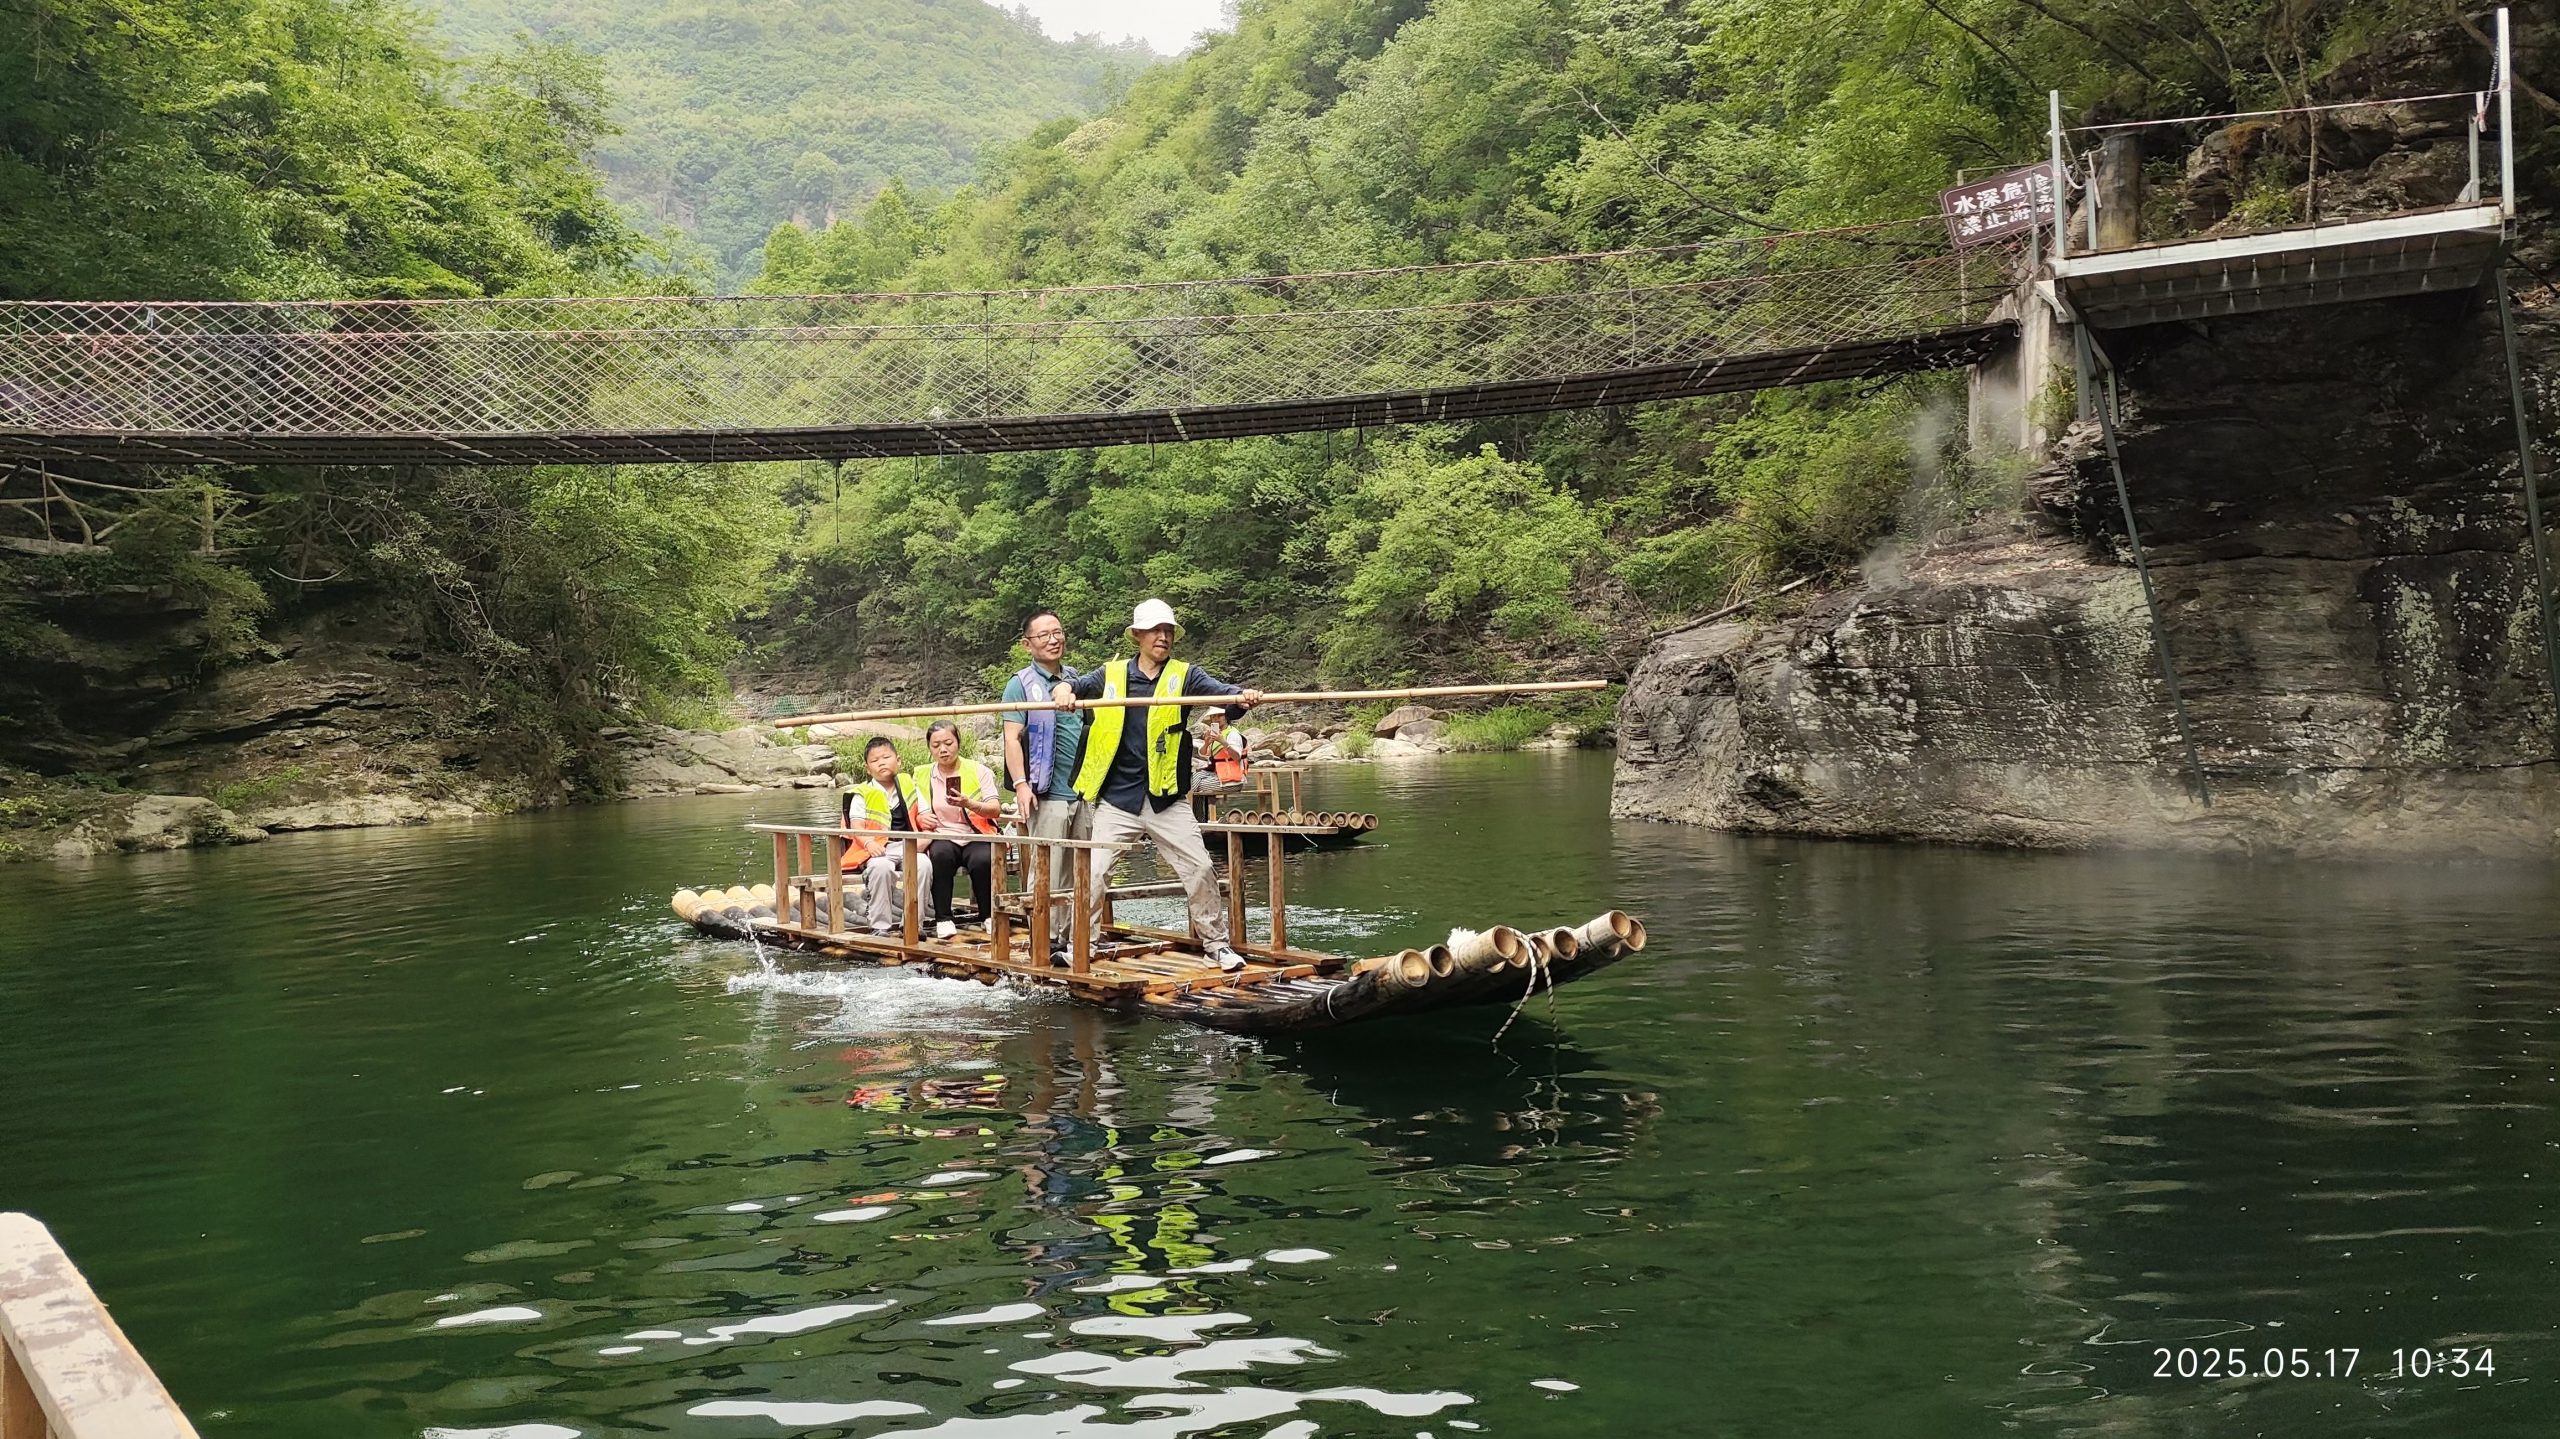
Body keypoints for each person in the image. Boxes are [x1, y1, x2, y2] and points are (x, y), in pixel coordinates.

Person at [1055, 598, 1262, 971]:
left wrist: (1241, 698)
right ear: (1138, 636)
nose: (1162, 637)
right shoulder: (1112, 674)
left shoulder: (1186, 675)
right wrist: (1065, 693)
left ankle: (1216, 944)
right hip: (1118, 797)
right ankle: (1080, 944)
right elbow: (1075, 684)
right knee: (1095, 872)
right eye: (1155, 631)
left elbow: (1223, 694)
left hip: (1166, 797)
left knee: (1199, 868)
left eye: (1167, 631)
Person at [1001, 608, 1089, 965]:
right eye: (1044, 635)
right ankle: (1047, 938)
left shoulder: (1075, 680)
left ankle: (1074, 936)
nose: (1054, 639)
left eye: (1058, 632)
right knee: (1049, 868)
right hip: (1046, 789)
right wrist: (1021, 785)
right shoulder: (1019, 683)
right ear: (1027, 644)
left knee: (1082, 864)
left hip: (1083, 791)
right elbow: (1011, 738)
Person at [911, 718, 1000, 939]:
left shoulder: (979, 770)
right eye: (936, 745)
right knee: (940, 855)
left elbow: (995, 809)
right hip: (942, 833)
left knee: (982, 860)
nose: (943, 749)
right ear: (929, 748)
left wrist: (969, 804)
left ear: (958, 742)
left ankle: (987, 916)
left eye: (948, 743)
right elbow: (912, 805)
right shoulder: (922, 774)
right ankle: (943, 918)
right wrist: (922, 817)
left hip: (975, 833)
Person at [841, 736, 930, 936]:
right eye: (874, 760)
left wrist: (925, 836)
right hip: (876, 851)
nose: (881, 762)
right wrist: (869, 843)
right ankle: (880, 926)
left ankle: (914, 924)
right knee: (881, 867)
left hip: (909, 846)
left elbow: (925, 817)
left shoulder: (912, 788)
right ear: (867, 768)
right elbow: (856, 826)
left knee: (923, 864)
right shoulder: (862, 793)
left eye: (886, 757)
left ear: (898, 760)